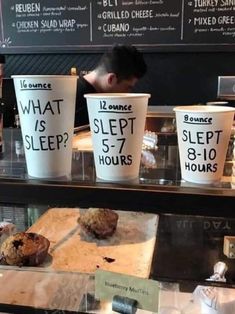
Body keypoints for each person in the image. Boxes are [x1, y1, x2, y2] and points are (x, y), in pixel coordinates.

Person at [74, 44, 147, 127]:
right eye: (127, 87)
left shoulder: (94, 95)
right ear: (111, 79)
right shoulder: (76, 101)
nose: (128, 93)